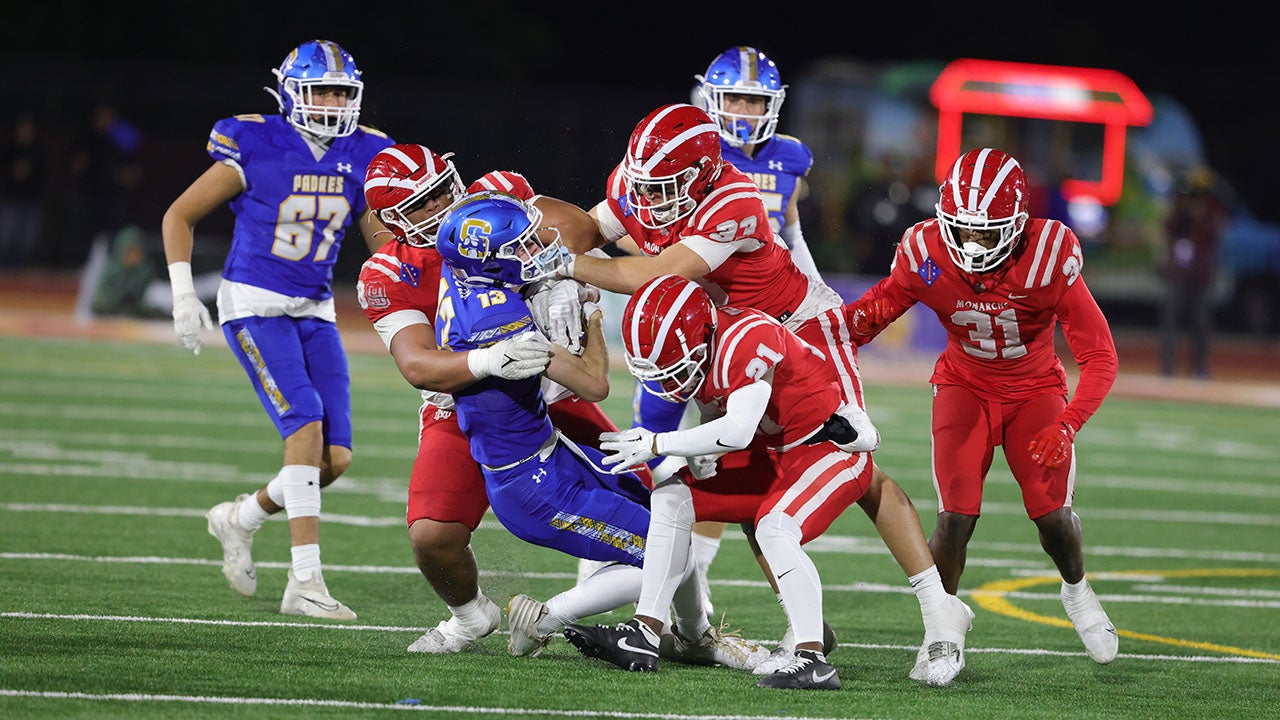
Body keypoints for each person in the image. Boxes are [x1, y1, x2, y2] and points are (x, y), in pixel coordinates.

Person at [550, 102, 970, 682]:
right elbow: (591, 229)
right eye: (642, 182)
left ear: (699, 175)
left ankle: (941, 613)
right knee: (756, 490)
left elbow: (652, 273)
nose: (647, 197)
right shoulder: (643, 183)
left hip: (798, 332)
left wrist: (562, 264)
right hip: (719, 342)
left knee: (856, 467)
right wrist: (525, 229)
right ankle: (806, 633)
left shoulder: (734, 200)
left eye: (663, 185)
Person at [564, 275, 973, 690]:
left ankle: (812, 658)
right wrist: (707, 451)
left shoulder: (745, 337)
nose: (669, 381)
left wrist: (657, 442)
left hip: (827, 447)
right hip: (773, 453)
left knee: (774, 527)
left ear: (702, 335)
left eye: (674, 367)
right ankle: (645, 631)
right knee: (672, 497)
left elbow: (739, 428)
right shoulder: (701, 348)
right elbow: (720, 417)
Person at [433, 191, 768, 669]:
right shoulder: (502, 322)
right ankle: (547, 618)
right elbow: (594, 384)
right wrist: (592, 313)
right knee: (666, 549)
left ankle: (697, 637)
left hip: (547, 455)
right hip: (534, 486)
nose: (531, 250)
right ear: (491, 261)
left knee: (671, 527)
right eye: (520, 247)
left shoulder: (460, 272)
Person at [357, 143, 653, 653]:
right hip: (473, 401)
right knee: (432, 535)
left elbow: (580, 230)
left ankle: (678, 617)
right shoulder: (390, 273)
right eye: (422, 205)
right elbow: (417, 364)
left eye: (441, 191)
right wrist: (488, 360)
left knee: (648, 494)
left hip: (555, 383)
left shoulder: (493, 201)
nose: (441, 206)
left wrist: (565, 275)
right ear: (392, 221)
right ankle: (471, 616)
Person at [844, 147, 1121, 665]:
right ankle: (941, 628)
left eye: (987, 232)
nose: (973, 242)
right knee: (955, 516)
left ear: (1016, 224)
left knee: (1052, 516)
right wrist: (817, 334)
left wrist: (1067, 423)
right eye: (964, 229)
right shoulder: (927, 252)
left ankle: (1077, 592)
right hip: (963, 385)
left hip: (1035, 389)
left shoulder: (1047, 254)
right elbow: (870, 315)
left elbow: (1101, 357)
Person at [161, 39, 395, 620]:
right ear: (292, 92)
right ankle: (305, 581)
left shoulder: (367, 153)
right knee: (305, 424)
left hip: (314, 307)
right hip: (255, 302)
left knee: (334, 459)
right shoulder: (256, 141)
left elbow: (384, 243)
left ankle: (237, 520)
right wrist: (185, 295)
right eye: (322, 90)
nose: (334, 102)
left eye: (343, 91)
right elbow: (179, 215)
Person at [623, 47, 823, 616]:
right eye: (734, 96)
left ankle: (695, 594)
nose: (743, 110)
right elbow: (628, 221)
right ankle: (622, 564)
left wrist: (812, 291)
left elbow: (788, 230)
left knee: (731, 456)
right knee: (651, 437)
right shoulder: (684, 155)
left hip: (746, 330)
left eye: (755, 100)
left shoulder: (790, 159)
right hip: (685, 322)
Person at [1159, 166, 1227, 379]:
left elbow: (1217, 233)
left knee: (1201, 323)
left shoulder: (1213, 209)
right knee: (1171, 319)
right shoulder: (1180, 207)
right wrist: (1185, 212)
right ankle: (1168, 368)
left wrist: (1200, 217)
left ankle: (1199, 368)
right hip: (1179, 273)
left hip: (1201, 274)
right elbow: (1169, 228)